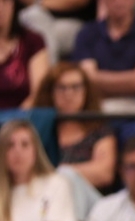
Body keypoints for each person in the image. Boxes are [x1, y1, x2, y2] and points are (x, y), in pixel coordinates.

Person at [40, 61, 118, 195]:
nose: (68, 94)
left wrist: (60, 173)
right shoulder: (41, 129)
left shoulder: (100, 130)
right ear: (50, 92)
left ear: (86, 91)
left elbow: (104, 174)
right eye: (61, 88)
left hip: (88, 199)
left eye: (75, 87)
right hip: (46, 196)